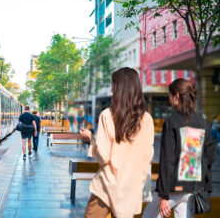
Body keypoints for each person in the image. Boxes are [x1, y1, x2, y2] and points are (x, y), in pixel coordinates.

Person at [80, 67, 154, 218]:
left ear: (118, 87)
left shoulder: (107, 115)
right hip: (130, 189)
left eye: (113, 84)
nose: (112, 88)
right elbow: (147, 156)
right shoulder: (147, 119)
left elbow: (104, 155)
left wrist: (91, 138)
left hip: (107, 187)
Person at [143, 78, 215, 218]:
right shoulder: (202, 123)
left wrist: (163, 196)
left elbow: (167, 160)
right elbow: (210, 156)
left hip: (172, 190)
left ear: (176, 96)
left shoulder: (171, 123)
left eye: (170, 95)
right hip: (192, 189)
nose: (169, 99)